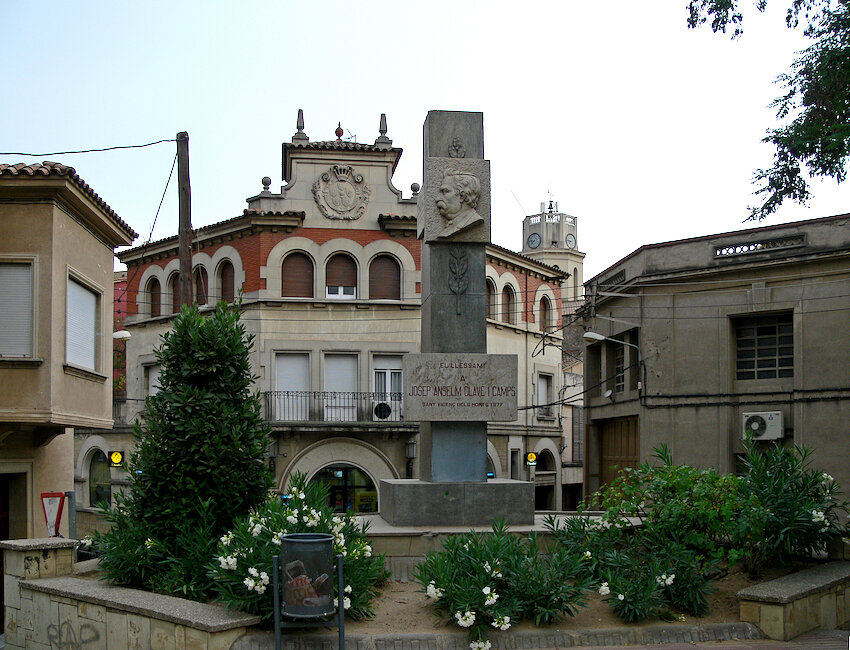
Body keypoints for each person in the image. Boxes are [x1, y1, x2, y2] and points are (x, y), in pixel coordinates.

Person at [435, 169, 484, 239]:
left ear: (462, 196)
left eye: (445, 191)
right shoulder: (453, 223)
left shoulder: (472, 220)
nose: (437, 199)